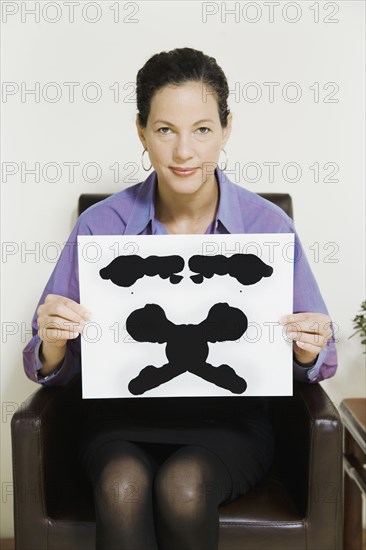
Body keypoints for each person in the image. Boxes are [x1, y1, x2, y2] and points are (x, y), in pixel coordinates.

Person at [23, 47, 337, 550]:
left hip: (230, 424)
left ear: (228, 128)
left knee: (184, 486)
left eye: (203, 129)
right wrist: (53, 344)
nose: (184, 151)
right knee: (121, 484)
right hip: (120, 421)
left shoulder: (267, 227)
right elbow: (45, 361)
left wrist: (306, 347)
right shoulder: (99, 225)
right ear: (142, 132)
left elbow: (319, 360)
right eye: (166, 130)